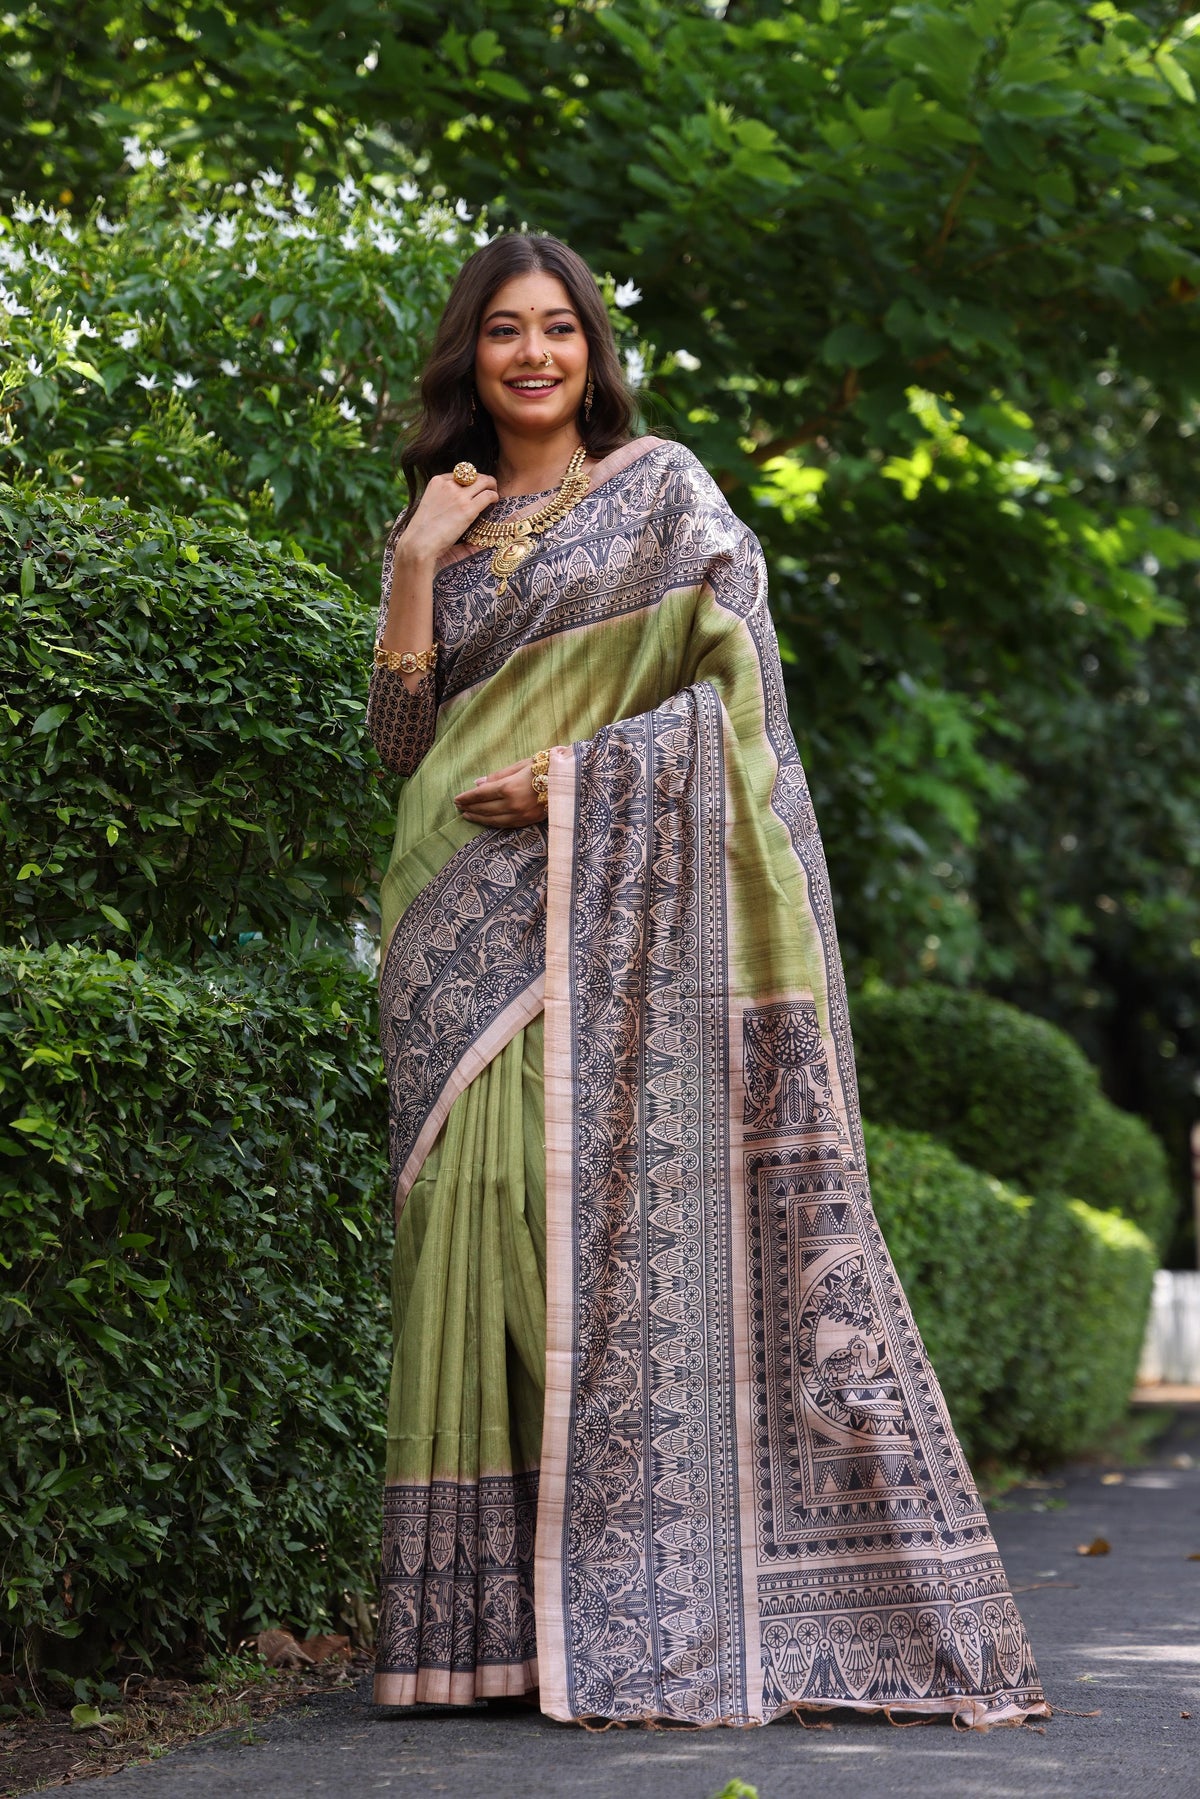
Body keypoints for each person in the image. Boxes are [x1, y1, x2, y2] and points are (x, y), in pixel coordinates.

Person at [367, 233, 1048, 1730]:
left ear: (591, 352)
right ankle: (483, 1631)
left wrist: (576, 777)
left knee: (561, 1227)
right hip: (447, 918)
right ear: (470, 354)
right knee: (467, 1220)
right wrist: (416, 560)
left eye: (558, 329)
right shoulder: (444, 520)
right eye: (505, 331)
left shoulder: (666, 492)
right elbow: (400, 743)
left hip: (594, 899)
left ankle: (621, 1598)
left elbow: (742, 708)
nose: (533, 355)